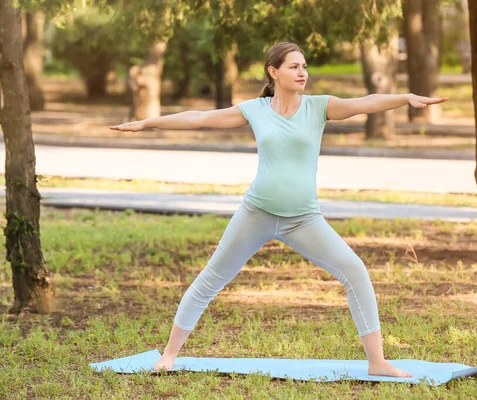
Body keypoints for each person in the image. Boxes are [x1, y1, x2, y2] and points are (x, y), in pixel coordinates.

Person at [110, 42, 448, 378]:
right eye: (294, 67)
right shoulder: (255, 110)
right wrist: (148, 123)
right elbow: (200, 118)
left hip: (303, 218)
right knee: (210, 279)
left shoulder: (319, 107)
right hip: (256, 213)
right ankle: (169, 354)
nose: (302, 72)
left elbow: (365, 103)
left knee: (355, 271)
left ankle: (377, 362)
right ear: (274, 72)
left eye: (304, 66)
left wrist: (404, 98)